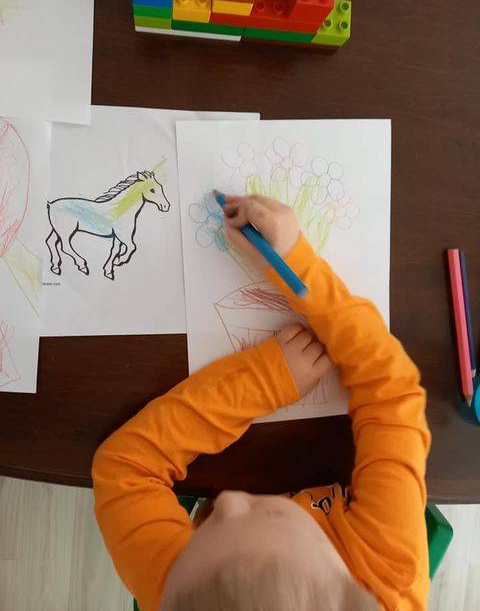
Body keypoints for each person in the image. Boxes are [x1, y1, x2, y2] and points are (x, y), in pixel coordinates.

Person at [92, 194, 431, 611]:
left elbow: (123, 469)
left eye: (207, 528)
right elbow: (392, 390)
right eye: (269, 515)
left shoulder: (185, 590)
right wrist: (296, 264)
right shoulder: (390, 572)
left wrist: (264, 381)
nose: (227, 500)